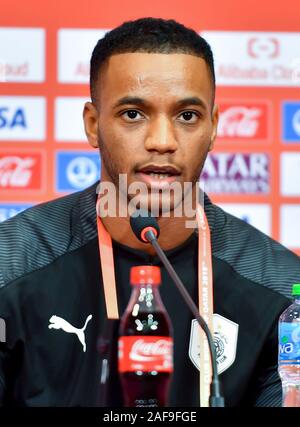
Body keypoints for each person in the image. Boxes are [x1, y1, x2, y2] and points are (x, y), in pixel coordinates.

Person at [0, 17, 299, 407]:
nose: (162, 141)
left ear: (213, 126)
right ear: (93, 125)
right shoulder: (11, 264)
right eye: (133, 114)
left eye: (187, 116)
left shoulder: (280, 290)